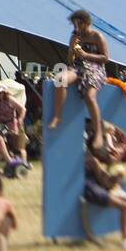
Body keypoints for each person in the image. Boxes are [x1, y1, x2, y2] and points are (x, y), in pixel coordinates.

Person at [48, 9, 110, 151]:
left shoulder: (97, 36)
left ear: (87, 22)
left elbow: (105, 58)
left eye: (79, 24)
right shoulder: (75, 36)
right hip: (78, 67)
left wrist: (86, 54)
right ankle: (58, 116)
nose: (76, 28)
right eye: (74, 24)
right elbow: (70, 60)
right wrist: (72, 49)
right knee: (60, 79)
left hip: (95, 69)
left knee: (89, 96)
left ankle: (98, 133)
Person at [81, 124, 126, 249]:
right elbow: (104, 181)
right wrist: (115, 176)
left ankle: (125, 239)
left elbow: (104, 179)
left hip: (92, 188)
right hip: (91, 190)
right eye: (106, 143)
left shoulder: (89, 159)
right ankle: (125, 240)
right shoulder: (92, 161)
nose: (109, 146)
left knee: (124, 201)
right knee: (124, 207)